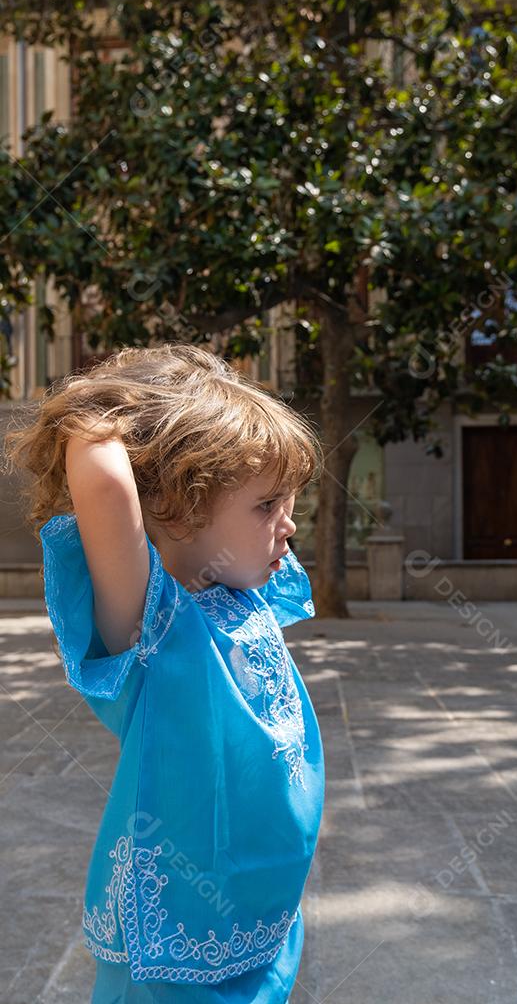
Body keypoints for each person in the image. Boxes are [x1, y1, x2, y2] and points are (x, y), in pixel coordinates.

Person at [3, 343, 325, 1004]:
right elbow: (103, 475)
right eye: (267, 506)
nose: (288, 526)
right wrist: (156, 397)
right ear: (179, 507)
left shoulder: (245, 591)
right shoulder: (154, 626)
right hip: (175, 941)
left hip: (259, 912)